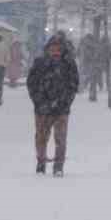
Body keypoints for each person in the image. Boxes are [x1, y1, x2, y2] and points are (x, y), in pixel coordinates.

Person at [27, 33, 80, 177]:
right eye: (53, 48)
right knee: (41, 137)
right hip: (42, 109)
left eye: (58, 49)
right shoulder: (40, 63)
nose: (55, 52)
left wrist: (64, 102)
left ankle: (58, 166)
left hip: (61, 109)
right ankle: (41, 163)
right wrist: (39, 101)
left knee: (60, 139)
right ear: (48, 49)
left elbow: (73, 85)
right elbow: (32, 84)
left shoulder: (69, 64)